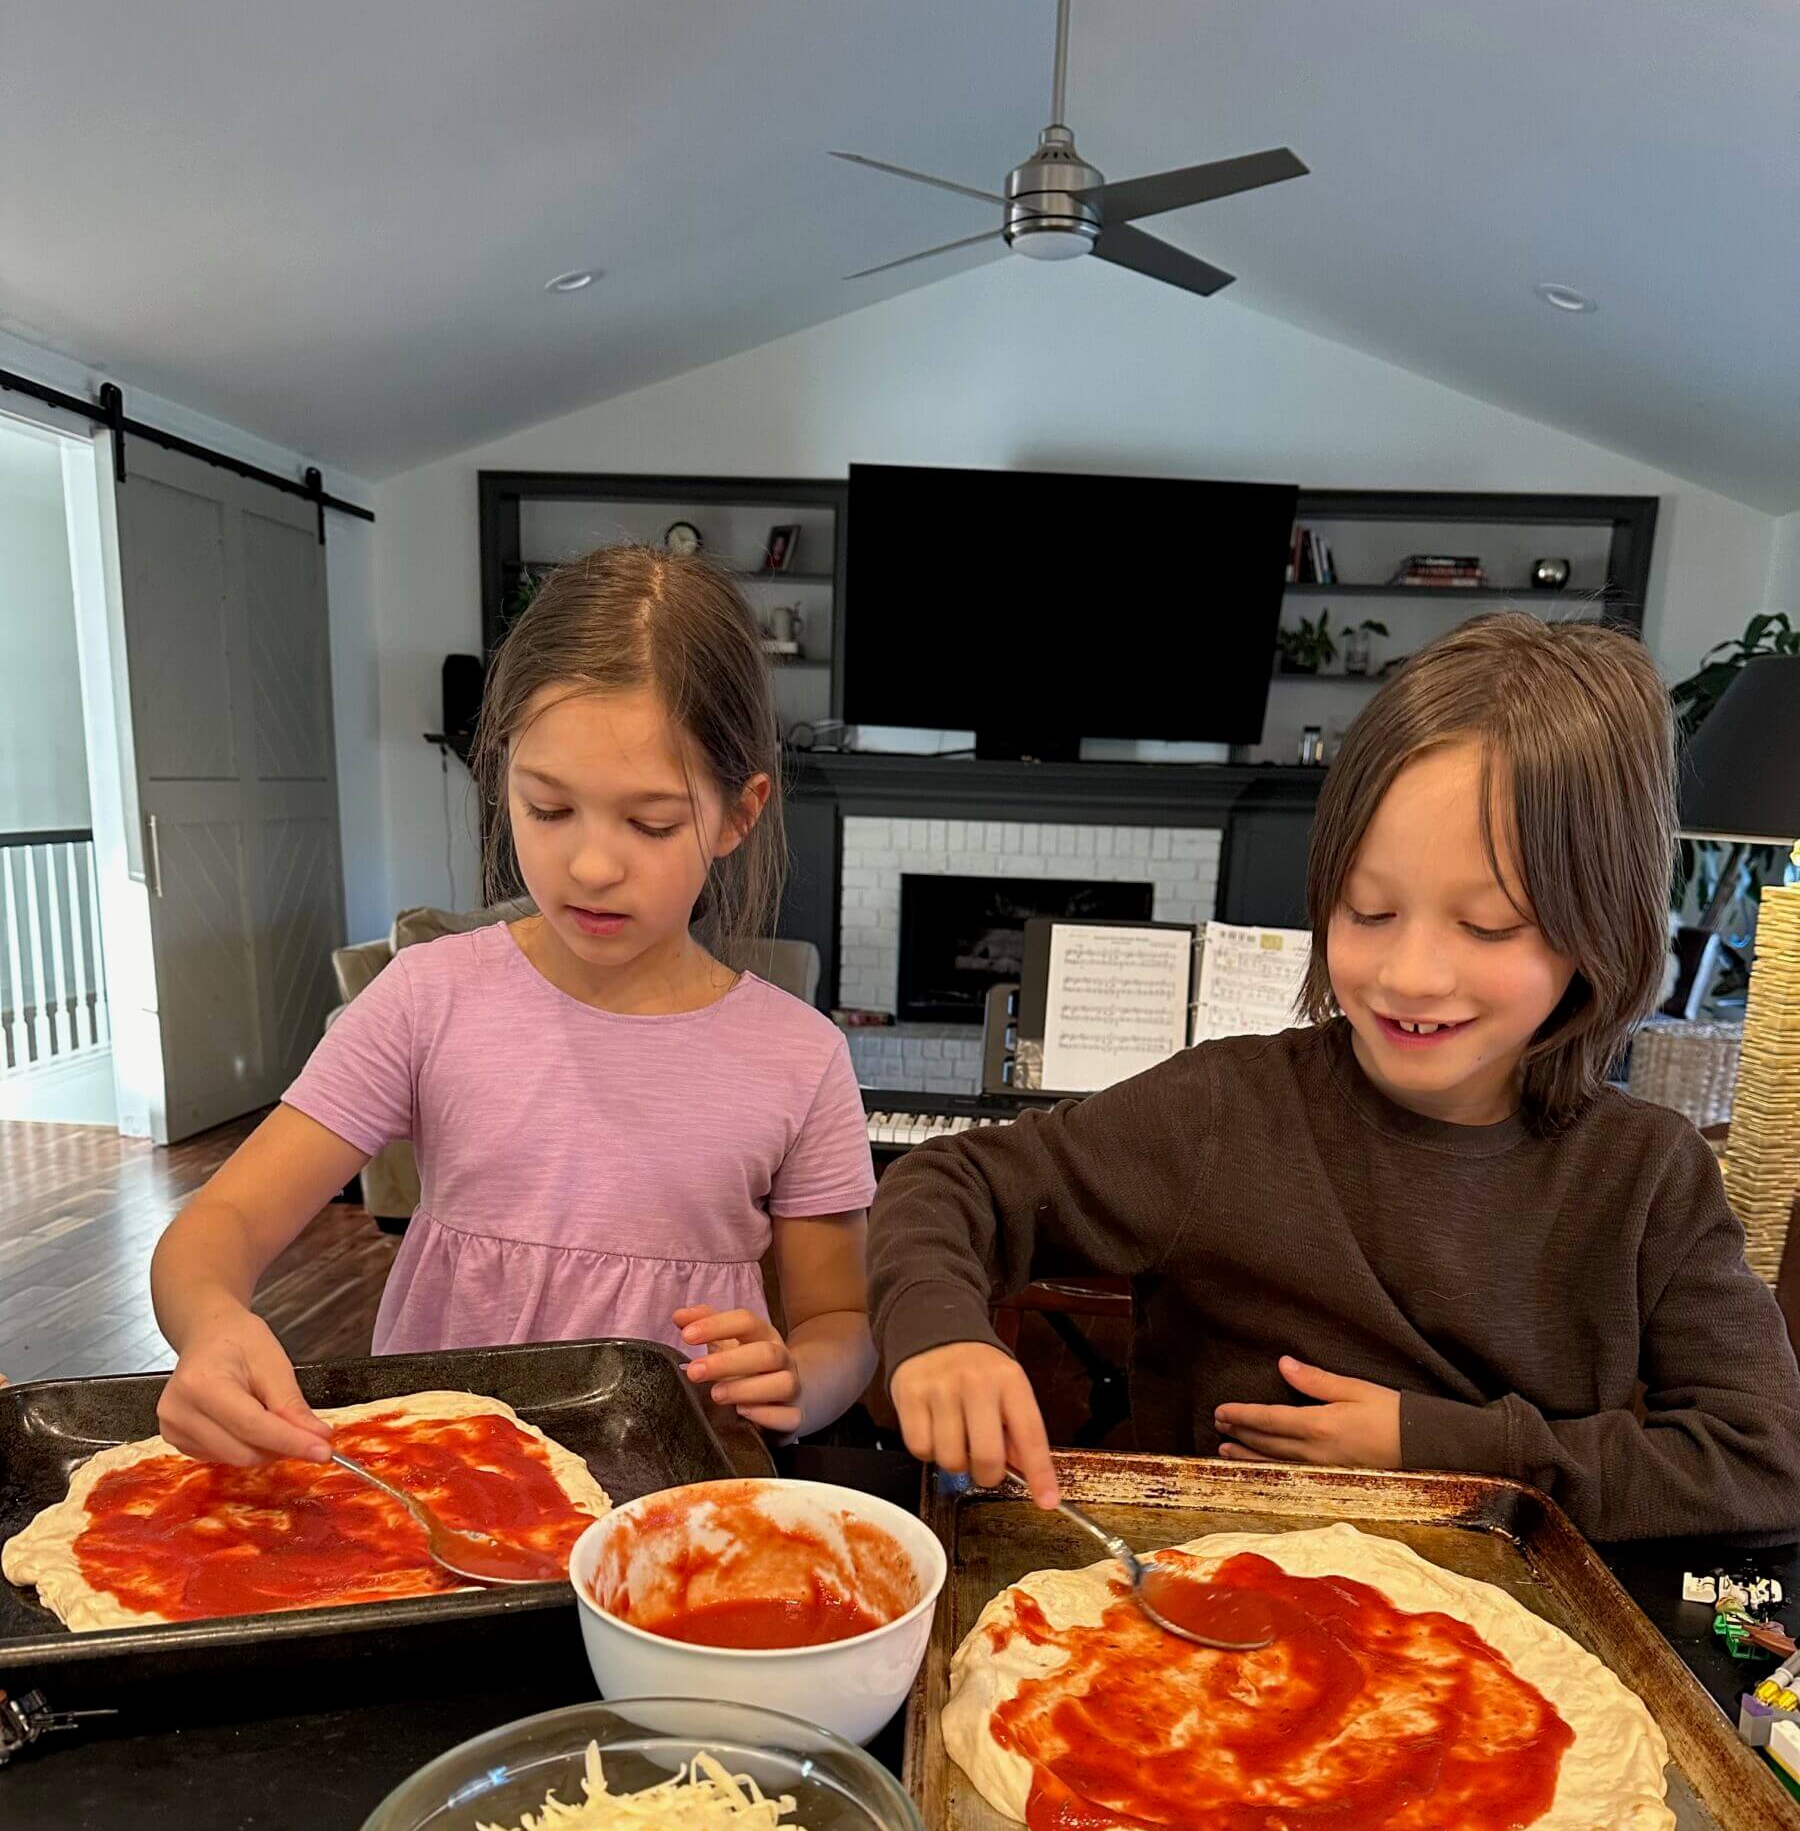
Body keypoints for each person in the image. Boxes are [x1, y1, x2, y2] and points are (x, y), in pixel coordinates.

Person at [869, 613, 1800, 1545]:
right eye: (1369, 910)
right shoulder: (1224, 1112)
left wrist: (1438, 1448)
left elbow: (1766, 1463)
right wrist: (940, 1327)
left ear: (1602, 926)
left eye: (1488, 926)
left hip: (1502, 1647)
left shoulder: (1646, 1173)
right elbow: (952, 1182)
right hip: (1217, 1619)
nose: (1410, 976)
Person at [153, 547, 875, 1467]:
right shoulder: (428, 997)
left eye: (651, 824)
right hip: (442, 1477)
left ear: (739, 813)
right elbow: (218, 1227)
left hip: (678, 1491)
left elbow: (840, 1321)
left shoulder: (798, 1056)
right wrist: (212, 1323)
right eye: (548, 809)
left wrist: (802, 1379)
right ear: (504, 783)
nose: (592, 865)